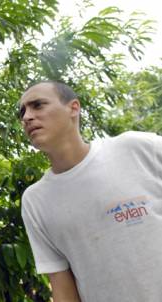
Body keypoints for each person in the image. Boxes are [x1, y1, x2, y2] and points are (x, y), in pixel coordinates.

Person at [18, 81, 162, 302]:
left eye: (38, 105)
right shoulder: (35, 200)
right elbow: (61, 284)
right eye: (23, 111)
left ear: (73, 108)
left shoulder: (137, 148)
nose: (27, 116)